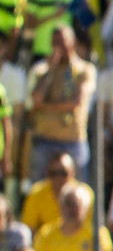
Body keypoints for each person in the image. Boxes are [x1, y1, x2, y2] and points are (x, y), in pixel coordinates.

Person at [26, 26, 97, 180]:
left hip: (73, 139)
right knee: (39, 189)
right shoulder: (41, 71)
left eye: (62, 41)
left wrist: (46, 106)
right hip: (45, 139)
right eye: (55, 42)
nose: (58, 46)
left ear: (73, 43)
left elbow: (75, 102)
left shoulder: (85, 70)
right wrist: (50, 70)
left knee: (79, 190)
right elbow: (36, 99)